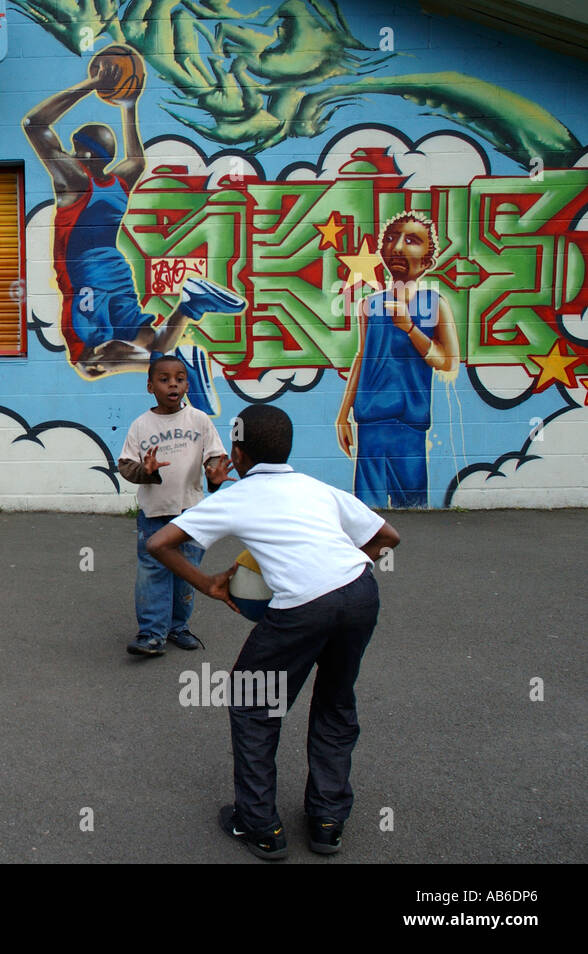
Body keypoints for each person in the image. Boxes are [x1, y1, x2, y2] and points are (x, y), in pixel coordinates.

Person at [147, 404, 400, 860]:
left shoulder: (236, 496)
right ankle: (327, 821)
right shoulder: (316, 487)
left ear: (239, 454)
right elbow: (388, 537)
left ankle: (261, 826)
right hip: (360, 592)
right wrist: (334, 571)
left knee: (252, 703)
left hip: (304, 607)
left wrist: (207, 584)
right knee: (335, 702)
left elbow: (158, 542)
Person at [23, 52, 245, 403]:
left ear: (83, 153)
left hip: (87, 283)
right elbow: (138, 160)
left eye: (74, 148)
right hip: (117, 273)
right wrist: (128, 105)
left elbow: (35, 124)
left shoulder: (74, 181)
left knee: (88, 362)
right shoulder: (118, 185)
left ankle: (180, 367)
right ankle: (188, 310)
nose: (67, 152)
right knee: (153, 342)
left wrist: (92, 83)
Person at [335, 211, 458, 507]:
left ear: (427, 261)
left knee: (413, 508)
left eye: (412, 240)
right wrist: (343, 414)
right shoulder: (369, 305)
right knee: (367, 510)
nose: (398, 247)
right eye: (391, 238)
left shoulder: (435, 304)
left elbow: (448, 361)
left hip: (409, 426)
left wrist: (411, 329)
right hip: (371, 423)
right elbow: (362, 357)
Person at [117, 354, 232, 656]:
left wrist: (215, 475)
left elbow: (215, 456)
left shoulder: (198, 419)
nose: (173, 384)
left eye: (179, 379)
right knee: (153, 573)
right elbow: (126, 465)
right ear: (150, 386)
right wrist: (147, 471)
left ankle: (177, 627)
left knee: (186, 573)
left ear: (186, 384)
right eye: (164, 379)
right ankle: (151, 634)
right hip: (154, 515)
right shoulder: (141, 425)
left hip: (191, 513)